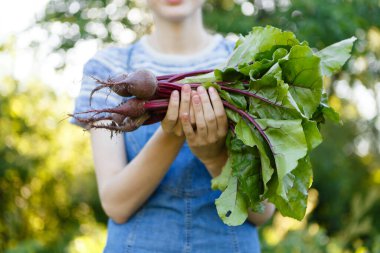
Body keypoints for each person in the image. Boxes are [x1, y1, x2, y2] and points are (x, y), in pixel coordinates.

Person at [72, 0, 275, 252]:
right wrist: (171, 134)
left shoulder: (248, 65)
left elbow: (263, 211)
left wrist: (215, 158)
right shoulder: (108, 67)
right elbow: (116, 205)